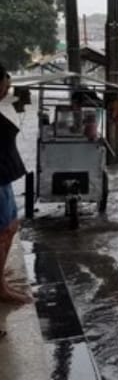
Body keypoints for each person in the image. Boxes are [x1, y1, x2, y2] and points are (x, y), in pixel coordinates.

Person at [0, 63, 32, 305]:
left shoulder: (2, 103)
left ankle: (1, 277)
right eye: (6, 83)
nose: (8, 87)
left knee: (10, 226)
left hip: (4, 179)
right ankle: (0, 287)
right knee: (3, 232)